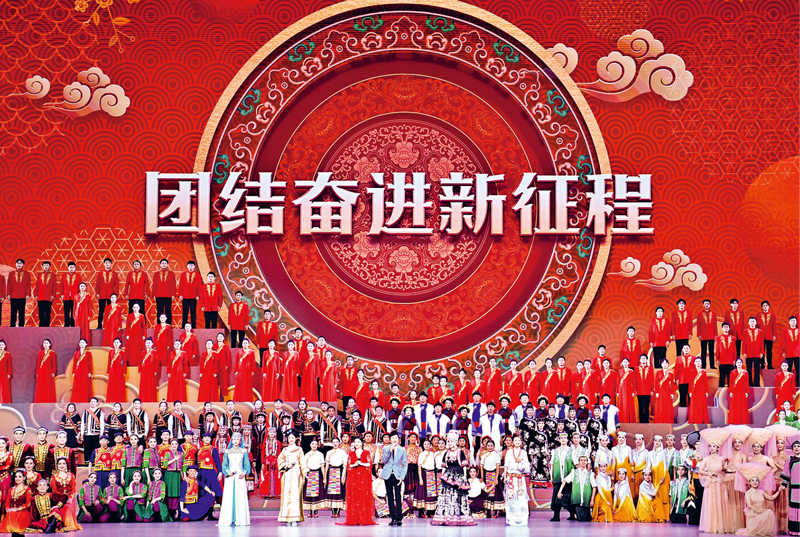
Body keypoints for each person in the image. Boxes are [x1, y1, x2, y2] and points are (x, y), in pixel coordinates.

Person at [697, 428, 732, 533]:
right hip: (711, 484)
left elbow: (724, 469)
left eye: (714, 446)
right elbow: (700, 470)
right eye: (710, 446)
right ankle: (711, 525)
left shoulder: (721, 459)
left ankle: (720, 525)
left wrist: (730, 469)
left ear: (717, 448)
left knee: (720, 503)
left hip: (720, 483)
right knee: (711, 503)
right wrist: (709, 474)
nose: (711, 448)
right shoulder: (706, 459)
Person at [736, 463, 782, 536]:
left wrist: (779, 491)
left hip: (761, 511)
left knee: (770, 512)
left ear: (759, 482)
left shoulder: (761, 492)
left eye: (756, 480)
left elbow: (771, 498)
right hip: (753, 513)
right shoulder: (748, 493)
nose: (755, 482)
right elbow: (749, 504)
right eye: (753, 480)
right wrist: (756, 510)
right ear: (750, 482)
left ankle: (764, 530)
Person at [218, 431, 250, 526]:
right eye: (234, 439)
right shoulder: (227, 451)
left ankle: (240, 520)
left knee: (240, 496)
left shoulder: (244, 451)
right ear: (232, 440)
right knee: (229, 496)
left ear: (240, 441)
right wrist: (228, 472)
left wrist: (244, 473)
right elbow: (224, 464)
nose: (236, 441)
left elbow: (247, 464)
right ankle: (228, 519)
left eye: (237, 439)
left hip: (240, 475)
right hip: (230, 476)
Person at [379, 431, 408, 526]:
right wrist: (389, 451)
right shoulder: (386, 448)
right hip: (388, 475)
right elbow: (383, 460)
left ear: (398, 439)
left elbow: (405, 464)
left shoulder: (402, 449)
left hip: (397, 475)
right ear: (390, 440)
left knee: (398, 496)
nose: (394, 440)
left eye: (396, 438)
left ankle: (399, 517)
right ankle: (393, 517)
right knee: (390, 496)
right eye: (392, 438)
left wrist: (402, 477)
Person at [558, 453, 596, 522]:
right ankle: (573, 511)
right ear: (579, 462)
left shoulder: (590, 474)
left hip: (586, 500)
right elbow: (565, 480)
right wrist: (559, 492)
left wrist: (592, 500)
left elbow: (594, 487)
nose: (583, 462)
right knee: (562, 498)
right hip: (577, 500)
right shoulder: (574, 472)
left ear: (587, 462)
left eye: (585, 460)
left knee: (586, 519)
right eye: (581, 460)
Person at [278, 431, 305, 525]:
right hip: (287, 473)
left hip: (296, 473)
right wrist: (286, 465)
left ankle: (294, 518)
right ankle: (286, 517)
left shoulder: (299, 449)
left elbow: (302, 461)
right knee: (286, 494)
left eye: (293, 438)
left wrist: (304, 472)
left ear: (296, 439)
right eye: (289, 438)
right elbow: (280, 460)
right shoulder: (285, 450)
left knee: (295, 495)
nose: (291, 439)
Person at [503, 435, 530, 526]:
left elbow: (527, 465)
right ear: (513, 442)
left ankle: (522, 518)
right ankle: (511, 518)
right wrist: (505, 476)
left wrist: (521, 461)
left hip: (520, 478)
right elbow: (506, 465)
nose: (517, 442)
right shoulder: (509, 452)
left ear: (521, 442)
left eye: (519, 440)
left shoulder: (524, 452)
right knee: (511, 497)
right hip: (511, 478)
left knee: (521, 497)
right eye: (516, 440)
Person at [7, 259, 31, 327]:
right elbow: (9, 284)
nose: (19, 265)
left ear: (23, 265)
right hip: (13, 295)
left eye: (20, 263)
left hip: (22, 295)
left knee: (22, 311)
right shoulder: (11, 273)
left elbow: (28, 284)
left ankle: (21, 324)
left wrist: (28, 294)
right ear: (15, 264)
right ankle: (12, 324)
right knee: (13, 311)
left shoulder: (26, 273)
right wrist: (8, 294)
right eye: (17, 263)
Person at [743, 317, 766, 387]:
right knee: (749, 369)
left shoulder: (760, 331)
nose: (752, 323)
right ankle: (749, 384)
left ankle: (756, 384)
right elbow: (743, 342)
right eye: (751, 321)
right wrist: (744, 352)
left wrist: (762, 352)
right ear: (748, 323)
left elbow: (762, 342)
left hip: (757, 353)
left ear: (756, 323)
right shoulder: (745, 331)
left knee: (757, 369)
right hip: (748, 353)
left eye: (753, 321)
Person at [34, 339, 57, 403]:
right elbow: (38, 363)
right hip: (41, 371)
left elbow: (54, 363)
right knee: (41, 386)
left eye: (47, 343)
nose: (45, 344)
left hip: (49, 372)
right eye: (44, 343)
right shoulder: (40, 353)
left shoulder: (52, 353)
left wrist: (54, 372)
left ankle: (48, 400)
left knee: (48, 386)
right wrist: (37, 372)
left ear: (49, 344)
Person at [697, 299, 718, 369]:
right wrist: (699, 334)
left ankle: (712, 366)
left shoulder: (713, 314)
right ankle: (703, 366)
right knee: (703, 351)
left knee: (711, 351)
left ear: (710, 305)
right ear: (703, 305)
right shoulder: (700, 314)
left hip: (711, 335)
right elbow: (698, 325)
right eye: (705, 304)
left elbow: (715, 325)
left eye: (708, 304)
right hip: (703, 335)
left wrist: (715, 335)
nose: (706, 305)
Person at [729, 358, 751, 424]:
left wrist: (747, 392)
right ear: (735, 364)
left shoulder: (745, 372)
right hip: (735, 391)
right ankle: (734, 421)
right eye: (737, 363)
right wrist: (730, 391)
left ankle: (743, 420)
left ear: (742, 364)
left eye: (740, 362)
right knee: (735, 406)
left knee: (742, 405)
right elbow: (731, 383)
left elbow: (747, 383)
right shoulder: (732, 372)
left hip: (742, 390)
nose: (739, 364)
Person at [654, 357, 675, 423]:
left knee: (667, 406)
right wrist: (657, 392)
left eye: (666, 363)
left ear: (668, 364)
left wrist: (672, 393)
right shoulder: (658, 372)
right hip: (660, 391)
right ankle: (660, 420)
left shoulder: (670, 373)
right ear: (661, 364)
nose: (664, 364)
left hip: (667, 391)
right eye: (663, 363)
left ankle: (667, 420)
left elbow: (672, 384)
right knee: (660, 406)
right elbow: (656, 383)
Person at [688, 357, 709, 423]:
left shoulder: (703, 372)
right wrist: (690, 391)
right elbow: (690, 382)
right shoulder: (691, 372)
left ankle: (702, 420)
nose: (698, 363)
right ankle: (694, 420)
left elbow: (705, 382)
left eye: (699, 361)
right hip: (694, 390)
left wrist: (706, 391)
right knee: (694, 405)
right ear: (694, 363)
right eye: (696, 361)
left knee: (702, 405)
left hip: (702, 390)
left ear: (701, 363)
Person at [61, 261, 81, 328]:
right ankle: (66, 324)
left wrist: (79, 295)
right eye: (70, 267)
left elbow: (79, 285)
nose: (71, 268)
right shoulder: (64, 276)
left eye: (73, 267)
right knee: (66, 311)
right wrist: (62, 294)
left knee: (74, 311)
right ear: (68, 268)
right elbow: (61, 285)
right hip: (66, 296)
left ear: (75, 268)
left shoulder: (78, 276)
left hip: (74, 297)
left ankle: (73, 324)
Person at [106, 338, 127, 403]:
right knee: (112, 385)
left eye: (117, 342)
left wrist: (124, 372)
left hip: (119, 370)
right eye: (115, 342)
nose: (116, 344)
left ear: (120, 344)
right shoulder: (110, 352)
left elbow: (124, 363)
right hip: (112, 370)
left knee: (119, 385)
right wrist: (108, 371)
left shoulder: (122, 352)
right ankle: (111, 400)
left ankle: (119, 400)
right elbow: (109, 362)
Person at [635, 354, 653, 423]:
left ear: (646, 360)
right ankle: (641, 420)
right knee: (640, 406)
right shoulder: (636, 368)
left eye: (644, 358)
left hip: (647, 391)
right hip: (639, 390)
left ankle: (646, 420)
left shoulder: (650, 369)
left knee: (646, 406)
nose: (643, 360)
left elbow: (652, 380)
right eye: (642, 358)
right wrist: (635, 390)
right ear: (640, 360)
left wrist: (652, 390)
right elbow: (634, 380)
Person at [784, 317, 800, 384]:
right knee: (788, 369)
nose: (793, 322)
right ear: (789, 322)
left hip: (798, 353)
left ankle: (799, 384)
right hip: (789, 353)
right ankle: (788, 383)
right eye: (791, 321)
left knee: (798, 369)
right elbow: (783, 342)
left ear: (796, 322)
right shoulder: (785, 331)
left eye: (794, 321)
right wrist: (783, 351)